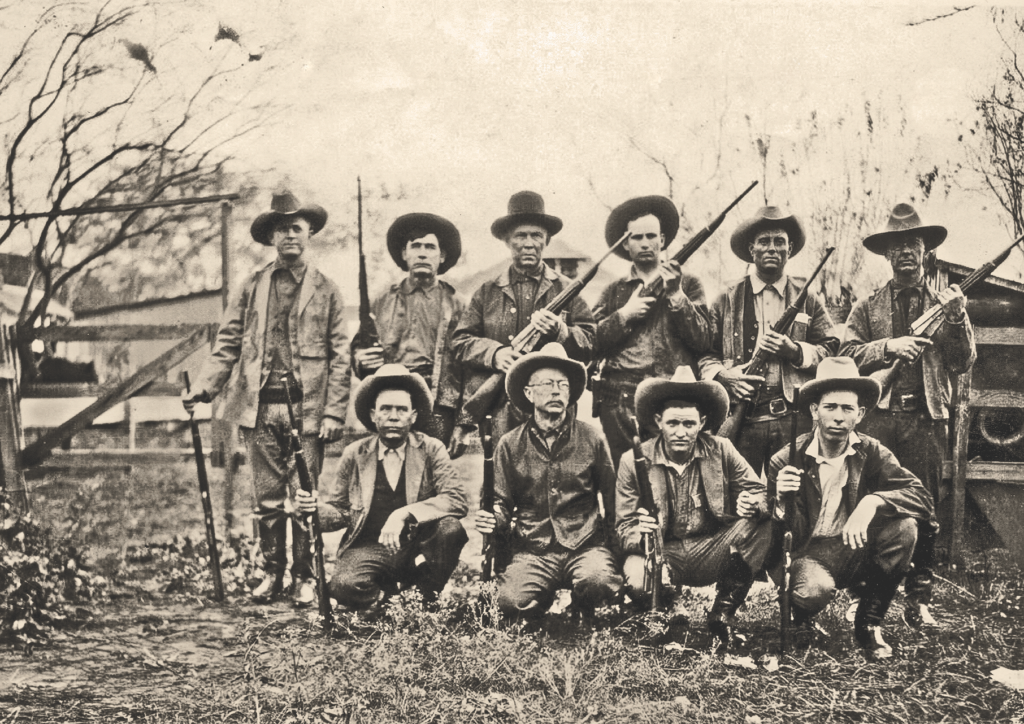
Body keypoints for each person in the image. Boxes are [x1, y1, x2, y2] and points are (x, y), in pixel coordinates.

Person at [183, 191, 349, 606]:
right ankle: (271, 574)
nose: (290, 235)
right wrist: (204, 388)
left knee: (304, 499)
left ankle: (305, 578)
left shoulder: (327, 290)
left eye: (296, 227)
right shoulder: (253, 286)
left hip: (307, 410)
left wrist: (333, 413)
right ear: (272, 236)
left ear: (309, 233)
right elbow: (228, 343)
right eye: (282, 228)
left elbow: (340, 355)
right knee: (267, 499)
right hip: (258, 408)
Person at [840, 203, 975, 630]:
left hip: (926, 421)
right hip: (878, 421)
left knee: (925, 509)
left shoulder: (946, 304)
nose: (905, 253)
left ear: (926, 251)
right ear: (886, 254)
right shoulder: (868, 306)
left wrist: (958, 319)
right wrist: (888, 347)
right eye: (897, 246)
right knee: (870, 506)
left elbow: (962, 362)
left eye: (912, 244)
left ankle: (919, 599)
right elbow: (846, 356)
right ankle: (863, 595)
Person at [766, 357, 934, 660]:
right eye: (830, 407)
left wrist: (873, 502)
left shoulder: (871, 451)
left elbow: (920, 496)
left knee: (905, 527)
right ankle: (801, 615)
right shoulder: (786, 460)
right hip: (808, 552)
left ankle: (869, 625)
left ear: (860, 414)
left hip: (853, 547)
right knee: (812, 591)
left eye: (847, 409)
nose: (839, 417)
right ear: (814, 411)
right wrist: (779, 499)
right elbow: (773, 533)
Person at [616, 366, 773, 648]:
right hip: (663, 553)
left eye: (689, 424)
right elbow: (622, 528)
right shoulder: (633, 460)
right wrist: (641, 532)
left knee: (763, 522)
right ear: (658, 421)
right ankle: (660, 606)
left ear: (701, 422)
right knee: (640, 579)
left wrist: (753, 503)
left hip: (710, 548)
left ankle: (722, 612)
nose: (680, 432)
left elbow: (761, 493)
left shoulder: (722, 449)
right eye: (673, 423)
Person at [296, 364, 468, 610]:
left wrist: (404, 513)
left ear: (414, 416)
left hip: (417, 547)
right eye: (386, 409)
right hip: (370, 546)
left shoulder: (431, 449)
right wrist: (311, 509)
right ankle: (394, 606)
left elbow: (456, 499)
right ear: (374, 414)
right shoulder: (355, 454)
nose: (394, 416)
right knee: (342, 586)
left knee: (450, 529)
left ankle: (424, 598)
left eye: (401, 409)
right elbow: (339, 512)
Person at [473, 343, 622, 621]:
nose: (556, 391)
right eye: (547, 384)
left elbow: (613, 500)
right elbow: (499, 501)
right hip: (533, 549)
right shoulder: (509, 444)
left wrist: (619, 554)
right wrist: (492, 518)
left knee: (599, 582)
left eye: (563, 385)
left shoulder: (592, 438)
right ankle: (538, 602)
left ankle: (581, 605)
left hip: (585, 544)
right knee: (507, 601)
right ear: (528, 393)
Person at [699, 206, 839, 476]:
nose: (772, 248)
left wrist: (795, 351)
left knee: (791, 497)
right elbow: (705, 353)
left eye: (779, 242)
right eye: (764, 241)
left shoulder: (807, 299)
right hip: (742, 417)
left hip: (791, 419)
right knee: (739, 498)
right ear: (752, 249)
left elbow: (832, 349)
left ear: (790, 248)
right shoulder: (725, 299)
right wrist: (726, 378)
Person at [451, 191, 596, 442]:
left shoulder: (567, 290)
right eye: (520, 235)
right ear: (507, 241)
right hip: (500, 409)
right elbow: (461, 341)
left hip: (554, 409)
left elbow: (592, 341)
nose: (529, 243)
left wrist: (562, 332)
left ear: (546, 241)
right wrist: (495, 354)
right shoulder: (486, 292)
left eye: (536, 235)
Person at [592, 196, 712, 468]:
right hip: (619, 402)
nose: (645, 243)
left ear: (663, 240)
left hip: (670, 401)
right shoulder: (613, 291)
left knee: (673, 477)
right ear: (625, 243)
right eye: (636, 237)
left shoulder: (689, 283)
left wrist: (676, 295)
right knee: (626, 478)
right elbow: (590, 341)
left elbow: (704, 340)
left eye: (651, 236)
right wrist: (624, 315)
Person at [350, 212, 472, 456]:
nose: (422, 253)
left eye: (430, 247)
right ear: (404, 254)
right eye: (415, 246)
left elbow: (469, 366)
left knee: (433, 472)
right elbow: (358, 350)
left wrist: (464, 423)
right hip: (392, 399)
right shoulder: (382, 301)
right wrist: (360, 359)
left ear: (442, 256)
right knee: (390, 469)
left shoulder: (457, 304)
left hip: (439, 404)